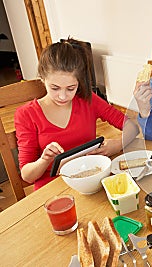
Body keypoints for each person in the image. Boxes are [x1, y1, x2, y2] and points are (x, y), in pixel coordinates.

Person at [15, 38, 139, 190]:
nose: (63, 96)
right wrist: (44, 160)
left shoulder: (88, 100)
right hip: (52, 186)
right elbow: (27, 176)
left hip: (91, 177)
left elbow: (131, 127)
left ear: (79, 83)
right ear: (42, 79)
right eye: (55, 88)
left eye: (70, 88)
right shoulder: (26, 114)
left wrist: (118, 144)